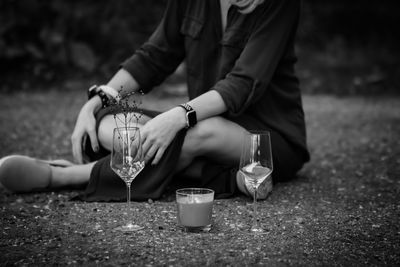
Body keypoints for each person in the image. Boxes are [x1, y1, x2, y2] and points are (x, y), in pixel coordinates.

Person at [0, 0, 310, 201]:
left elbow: (242, 85)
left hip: (266, 139)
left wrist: (177, 117)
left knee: (198, 132)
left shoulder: (279, 5)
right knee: (113, 125)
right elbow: (153, 57)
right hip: (197, 119)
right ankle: (223, 177)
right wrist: (94, 103)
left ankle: (67, 175)